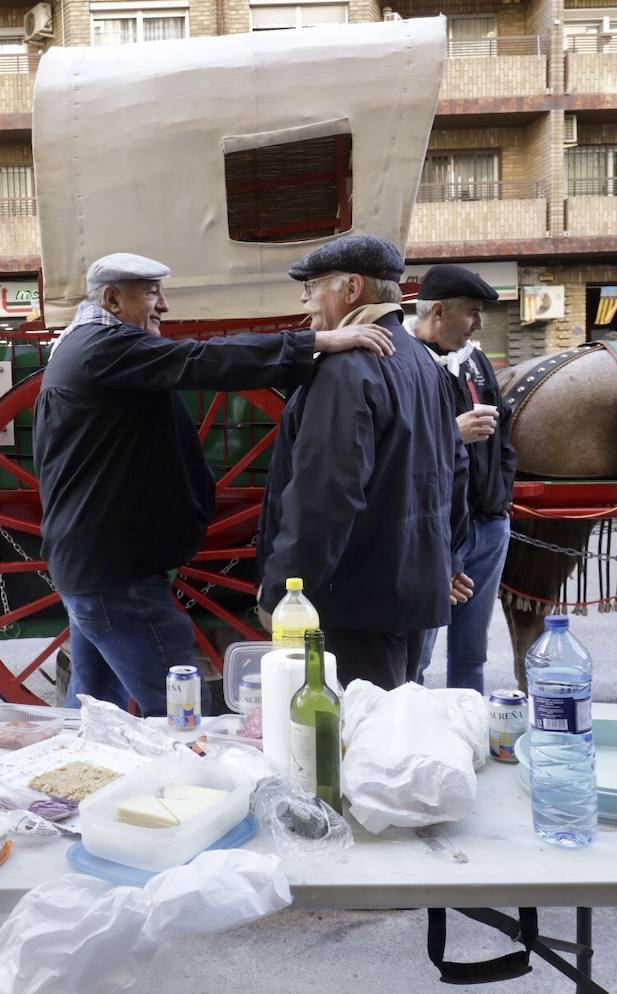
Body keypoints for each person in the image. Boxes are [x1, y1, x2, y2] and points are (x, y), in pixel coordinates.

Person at [34, 252, 395, 716]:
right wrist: (317, 341)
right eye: (150, 293)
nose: (163, 305)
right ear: (111, 299)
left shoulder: (83, 346)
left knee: (94, 703)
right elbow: (202, 358)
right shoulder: (102, 346)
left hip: (94, 566)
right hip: (115, 575)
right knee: (184, 711)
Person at [256, 234, 473, 692]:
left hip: (354, 601)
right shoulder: (423, 360)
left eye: (312, 285)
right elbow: (454, 469)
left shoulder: (346, 369)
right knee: (392, 737)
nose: (304, 298)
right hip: (409, 592)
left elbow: (324, 500)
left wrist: (280, 594)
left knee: (355, 744)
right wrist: (447, 560)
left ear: (351, 289)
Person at [410, 265, 517, 694]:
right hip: (433, 536)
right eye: (472, 312)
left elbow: (504, 434)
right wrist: (451, 433)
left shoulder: (475, 361)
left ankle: (468, 734)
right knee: (415, 653)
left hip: (489, 527)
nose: (479, 323)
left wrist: (501, 503)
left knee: (472, 653)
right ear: (438, 311)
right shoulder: (405, 362)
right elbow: (388, 447)